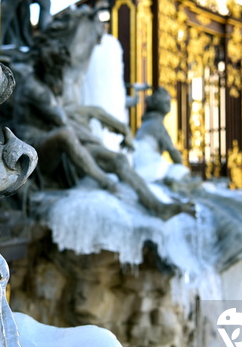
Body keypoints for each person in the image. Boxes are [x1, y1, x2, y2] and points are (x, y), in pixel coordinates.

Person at [13, 39, 193, 219]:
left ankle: (158, 206)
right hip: (33, 149)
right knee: (66, 135)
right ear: (50, 66)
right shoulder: (35, 88)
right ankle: (106, 182)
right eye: (61, 68)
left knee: (118, 160)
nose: (64, 74)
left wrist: (118, 132)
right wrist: (94, 140)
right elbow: (63, 121)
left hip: (60, 143)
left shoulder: (48, 86)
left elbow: (79, 114)